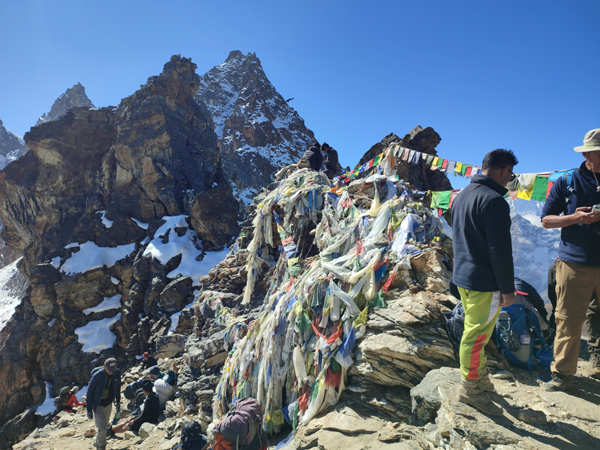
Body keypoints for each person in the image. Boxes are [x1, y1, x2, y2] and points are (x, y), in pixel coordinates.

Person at [451, 149, 519, 416]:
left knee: (475, 330)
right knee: (477, 335)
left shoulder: (462, 195)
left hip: (463, 277)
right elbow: (500, 251)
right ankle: (470, 388)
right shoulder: (493, 201)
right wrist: (507, 290)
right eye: (511, 174)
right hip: (484, 282)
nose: (510, 179)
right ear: (503, 171)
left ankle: (479, 378)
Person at [541, 129, 600, 390]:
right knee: (568, 318)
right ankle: (563, 374)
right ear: (587, 154)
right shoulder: (567, 181)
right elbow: (546, 220)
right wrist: (575, 218)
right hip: (574, 262)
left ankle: (597, 363)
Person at [547, 258, 599, 378]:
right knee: (566, 316)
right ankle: (562, 372)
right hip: (574, 259)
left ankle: (597, 357)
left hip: (574, 257)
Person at [87, 358, 122, 450]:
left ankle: (98, 442)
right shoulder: (97, 376)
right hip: (98, 404)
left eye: (112, 370)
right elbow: (90, 392)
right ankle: (101, 447)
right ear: (104, 367)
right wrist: (88, 409)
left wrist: (118, 401)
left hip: (109, 403)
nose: (111, 372)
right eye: (109, 370)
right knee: (102, 428)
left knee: (105, 426)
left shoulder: (117, 373)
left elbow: (117, 387)